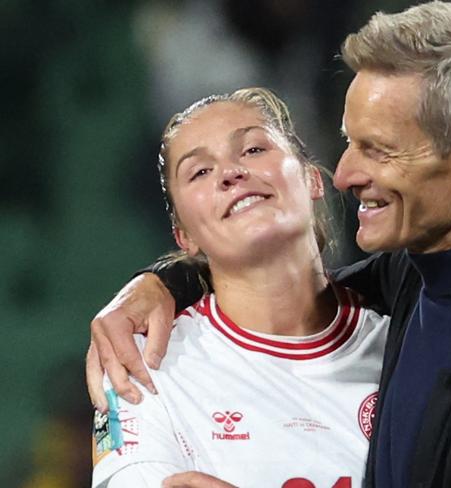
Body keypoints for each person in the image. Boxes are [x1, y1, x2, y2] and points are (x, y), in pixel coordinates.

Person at [87, 2, 451, 487]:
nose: (345, 174)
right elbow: (285, 290)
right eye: (348, 143)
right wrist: (161, 283)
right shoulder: (416, 281)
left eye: (379, 150)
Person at [90, 87, 389, 487]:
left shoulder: (403, 338)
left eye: (252, 150)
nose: (231, 173)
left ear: (312, 179)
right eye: (199, 172)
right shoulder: (145, 363)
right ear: (184, 236)